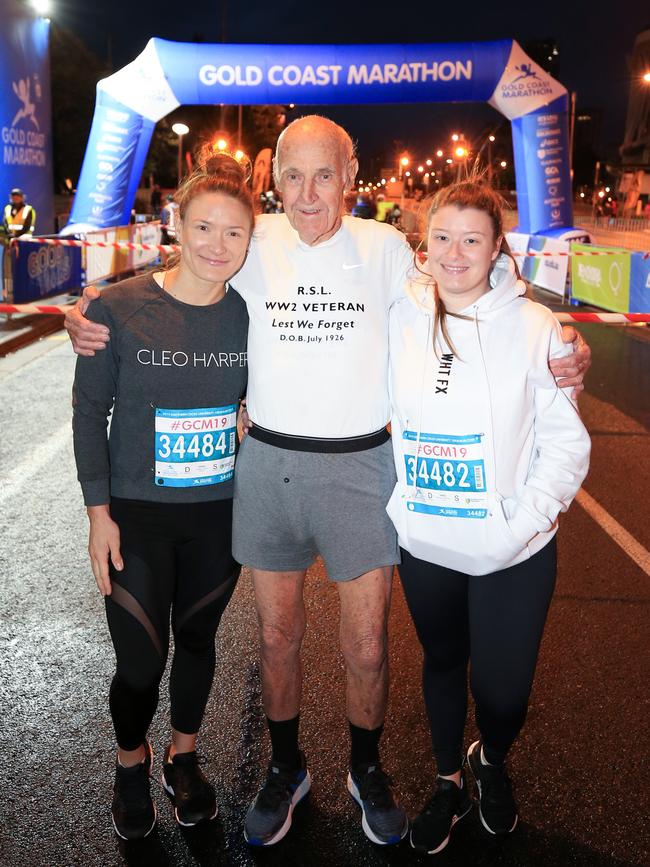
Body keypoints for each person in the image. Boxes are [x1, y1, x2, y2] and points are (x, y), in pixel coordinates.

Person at [64, 115, 592, 850]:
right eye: (291, 174)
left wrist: (563, 332)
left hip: (360, 464)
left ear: (349, 178)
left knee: (368, 644)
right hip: (270, 464)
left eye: (324, 175)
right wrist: (89, 313)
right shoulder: (249, 244)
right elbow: (179, 278)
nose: (307, 193)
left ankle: (366, 768)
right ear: (271, 179)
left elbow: (470, 277)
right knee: (278, 636)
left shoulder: (383, 249)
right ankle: (286, 768)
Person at [386, 179, 591, 855]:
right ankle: (447, 780)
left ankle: (490, 757)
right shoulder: (400, 313)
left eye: (472, 239)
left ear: (496, 247)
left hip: (513, 550)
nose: (454, 252)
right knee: (443, 660)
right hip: (428, 542)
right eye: (442, 236)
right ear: (425, 242)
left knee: (503, 692)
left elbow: (567, 442)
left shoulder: (535, 327)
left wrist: (522, 520)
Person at [71, 152, 252, 841]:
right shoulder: (118, 306)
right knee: (141, 660)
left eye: (234, 233)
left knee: (198, 639)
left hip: (217, 518)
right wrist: (98, 515)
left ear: (249, 240)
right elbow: (90, 413)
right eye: (203, 227)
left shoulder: (251, 316)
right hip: (137, 519)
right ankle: (129, 761)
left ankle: (183, 755)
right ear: (175, 224)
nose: (217, 245)